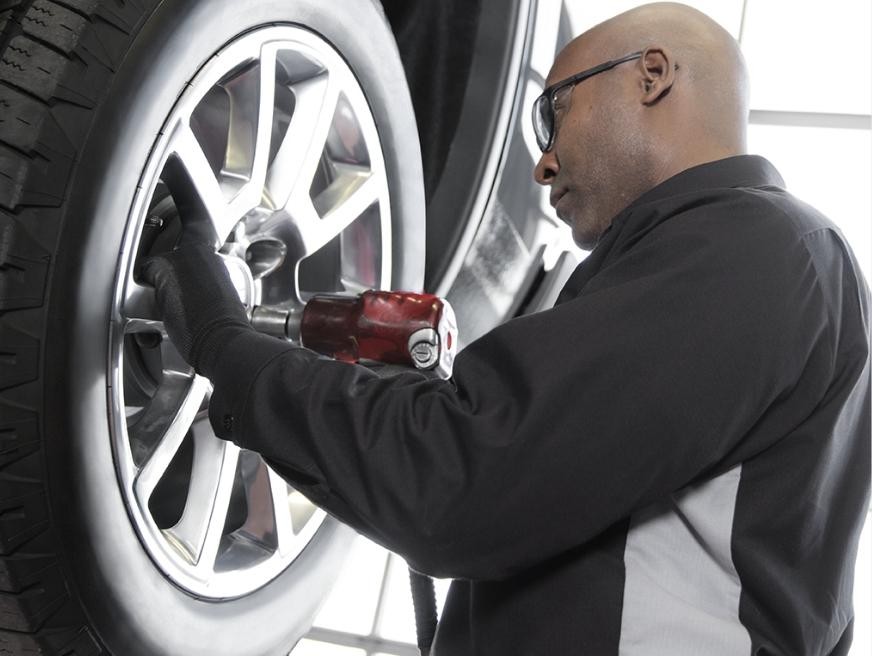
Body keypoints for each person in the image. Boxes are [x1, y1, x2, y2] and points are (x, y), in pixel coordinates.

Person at [142, 3, 870, 654]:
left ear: (651, 75)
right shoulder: (752, 271)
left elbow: (459, 480)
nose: (545, 163)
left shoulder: (755, 247)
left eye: (552, 114)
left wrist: (223, 342)